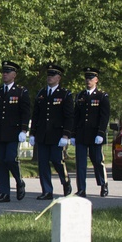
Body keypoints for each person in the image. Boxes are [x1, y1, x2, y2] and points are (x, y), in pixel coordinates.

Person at [0, 60, 30, 203]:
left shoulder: (21, 92)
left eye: (8, 72)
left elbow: (25, 112)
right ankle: (4, 193)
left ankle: (19, 181)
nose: (5, 74)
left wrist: (24, 130)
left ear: (14, 75)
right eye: (3, 72)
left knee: (10, 159)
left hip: (13, 132)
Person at [29, 62, 73, 199]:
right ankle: (47, 191)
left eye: (53, 75)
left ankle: (65, 182)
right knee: (43, 164)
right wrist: (32, 133)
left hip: (57, 135)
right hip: (42, 134)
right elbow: (35, 115)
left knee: (57, 161)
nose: (50, 77)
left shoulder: (65, 94)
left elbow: (69, 116)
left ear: (59, 77)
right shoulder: (41, 94)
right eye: (48, 75)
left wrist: (66, 135)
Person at [72, 67, 111, 197]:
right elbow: (75, 116)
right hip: (81, 134)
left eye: (91, 78)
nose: (88, 80)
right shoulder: (80, 96)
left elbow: (104, 117)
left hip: (95, 135)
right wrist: (73, 134)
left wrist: (101, 133)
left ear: (96, 80)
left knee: (97, 161)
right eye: (86, 78)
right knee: (80, 163)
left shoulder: (102, 96)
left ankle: (103, 184)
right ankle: (81, 189)